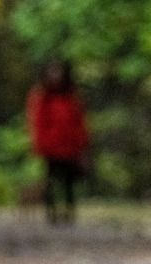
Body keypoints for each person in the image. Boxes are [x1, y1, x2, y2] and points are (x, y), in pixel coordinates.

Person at [26, 61, 89, 224]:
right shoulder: (42, 96)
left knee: (68, 182)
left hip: (70, 148)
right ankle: (51, 214)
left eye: (58, 72)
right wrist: (40, 145)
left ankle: (69, 214)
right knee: (51, 182)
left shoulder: (71, 96)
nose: (55, 76)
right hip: (51, 148)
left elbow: (79, 122)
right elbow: (37, 122)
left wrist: (82, 145)